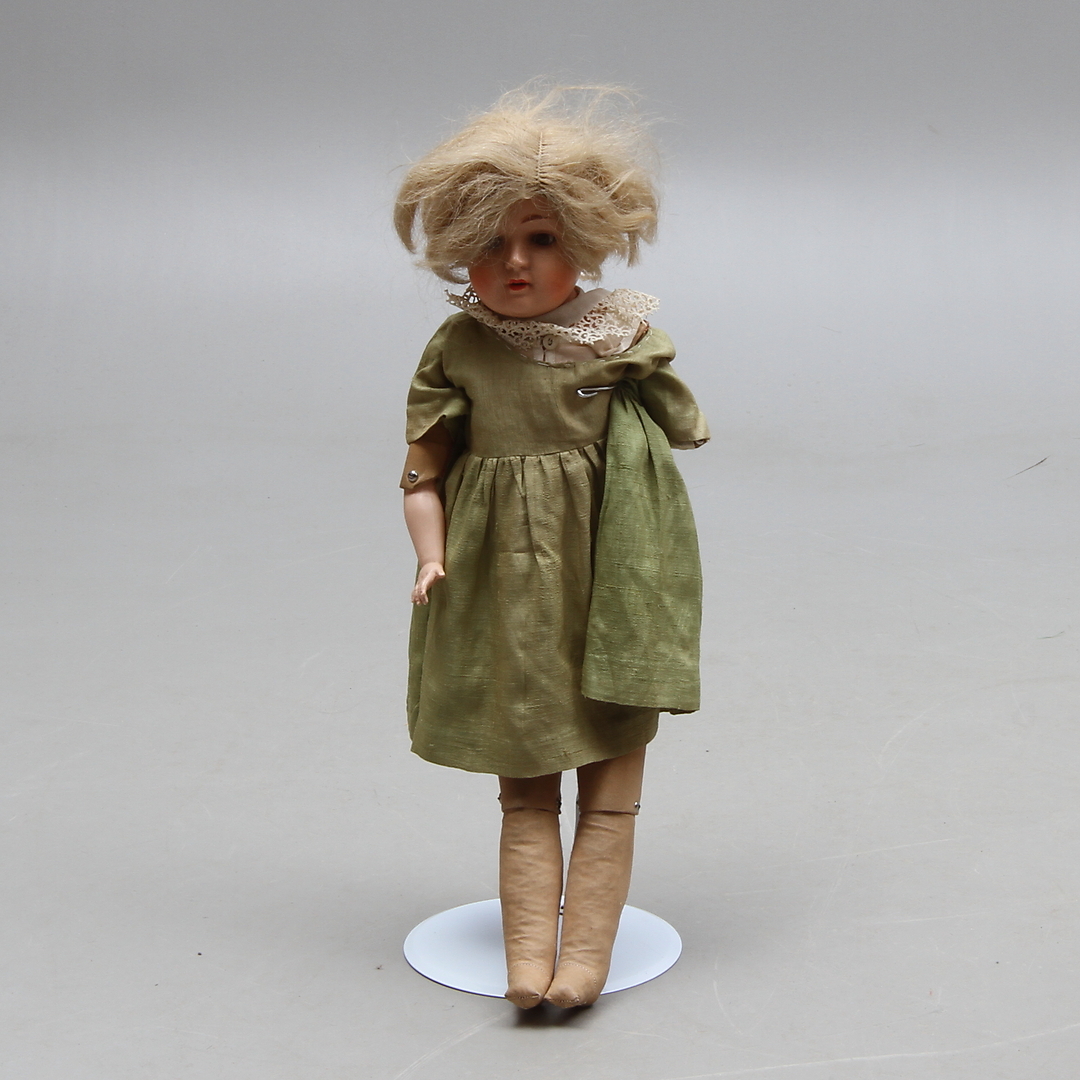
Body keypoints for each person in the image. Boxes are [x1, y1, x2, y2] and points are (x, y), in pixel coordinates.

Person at [394, 85, 708, 1009]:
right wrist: (430, 553)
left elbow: (663, 456)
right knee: (526, 777)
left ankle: (584, 963)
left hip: (611, 575)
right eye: (490, 242)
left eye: (540, 237)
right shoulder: (461, 348)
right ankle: (530, 962)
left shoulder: (618, 344)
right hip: (506, 587)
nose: (515, 262)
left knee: (611, 777)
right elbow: (421, 469)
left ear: (586, 238)